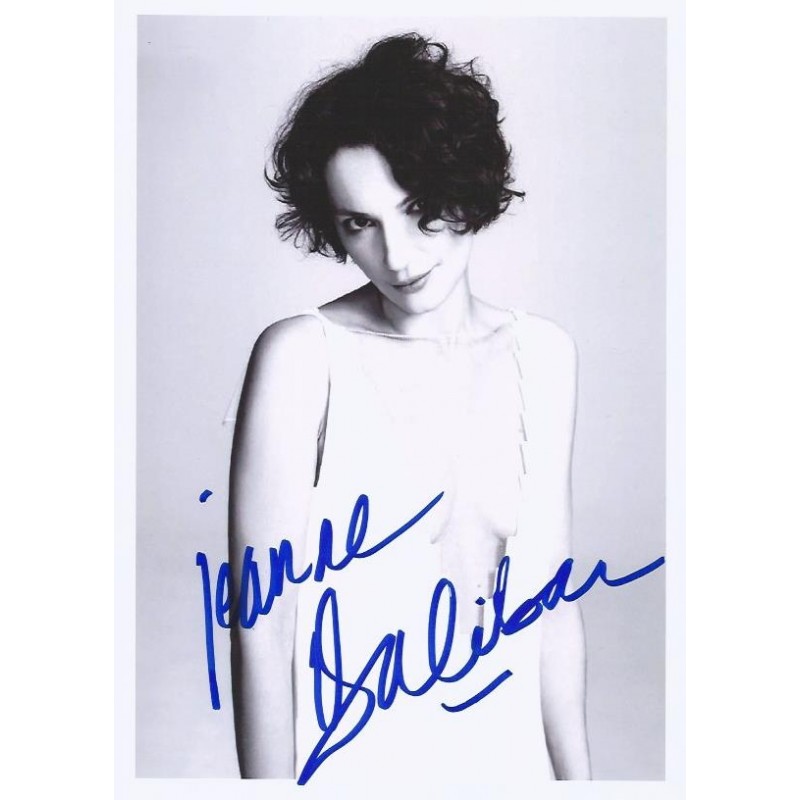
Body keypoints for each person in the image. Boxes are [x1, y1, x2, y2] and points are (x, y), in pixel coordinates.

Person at [228, 32, 591, 786]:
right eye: (360, 223)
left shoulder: (545, 356)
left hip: (509, 768)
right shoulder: (302, 358)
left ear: (467, 189)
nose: (396, 257)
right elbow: (263, 628)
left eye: (419, 210)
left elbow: (552, 612)